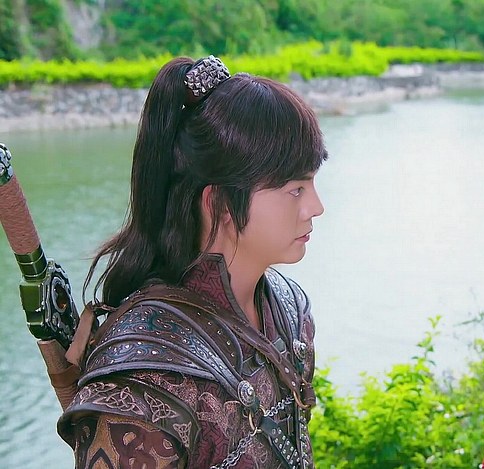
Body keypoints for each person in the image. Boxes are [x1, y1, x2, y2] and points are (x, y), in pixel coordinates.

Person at [57, 55, 327, 469]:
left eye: (311, 183)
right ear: (219, 203)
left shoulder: (289, 313)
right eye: (295, 189)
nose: (316, 206)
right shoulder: (145, 380)